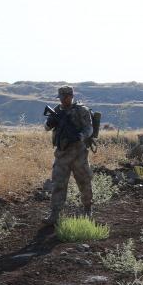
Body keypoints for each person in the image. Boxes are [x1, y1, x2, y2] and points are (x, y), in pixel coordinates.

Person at [43, 85, 94, 226]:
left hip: (79, 154)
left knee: (84, 182)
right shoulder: (57, 110)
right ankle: (54, 214)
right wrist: (49, 123)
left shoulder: (81, 110)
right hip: (62, 154)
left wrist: (81, 136)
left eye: (65, 97)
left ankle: (88, 209)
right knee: (58, 184)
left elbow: (90, 128)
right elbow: (46, 128)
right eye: (60, 98)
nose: (62, 100)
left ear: (71, 96)